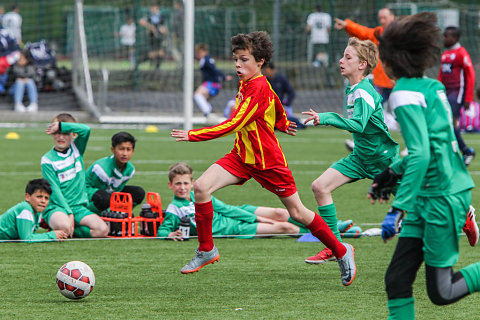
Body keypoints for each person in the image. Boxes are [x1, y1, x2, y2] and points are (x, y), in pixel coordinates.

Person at [171, 31, 356, 286]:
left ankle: (341, 250)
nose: (238, 64)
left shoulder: (257, 88)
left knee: (299, 213)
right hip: (241, 156)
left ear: (260, 61)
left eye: (244, 59)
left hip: (269, 163)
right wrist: (282, 121)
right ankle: (206, 250)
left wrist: (193, 135)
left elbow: (233, 123)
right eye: (236, 59)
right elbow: (276, 101)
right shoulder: (249, 82)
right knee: (201, 187)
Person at [368, 12, 480, 319]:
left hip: (439, 197)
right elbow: (435, 144)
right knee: (397, 280)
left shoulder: (402, 94)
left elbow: (421, 154)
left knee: (442, 292)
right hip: (432, 194)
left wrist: (397, 208)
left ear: (389, 60)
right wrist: (393, 171)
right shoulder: (431, 86)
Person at [301, 37, 399, 264]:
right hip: (361, 158)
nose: (340, 60)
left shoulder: (363, 92)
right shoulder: (353, 88)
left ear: (362, 64)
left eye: (348, 57)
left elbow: (358, 125)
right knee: (319, 187)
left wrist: (326, 118)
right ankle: (336, 248)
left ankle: (461, 215)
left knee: (419, 204)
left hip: (383, 162)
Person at [160, 162, 310, 240]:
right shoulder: (175, 208)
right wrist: (170, 235)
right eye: (178, 184)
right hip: (232, 228)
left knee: (279, 212)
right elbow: (162, 230)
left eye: (185, 183)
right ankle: (313, 235)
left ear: (192, 183)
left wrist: (257, 218)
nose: (182, 187)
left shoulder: (197, 195)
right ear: (170, 185)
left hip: (237, 212)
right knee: (284, 227)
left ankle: (322, 225)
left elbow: (226, 209)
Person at [41, 113, 109, 238]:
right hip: (58, 206)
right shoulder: (47, 160)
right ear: (51, 133)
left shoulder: (77, 148)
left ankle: (70, 231)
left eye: (65, 133)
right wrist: (68, 212)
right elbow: (54, 190)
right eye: (57, 132)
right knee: (64, 226)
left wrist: (61, 125)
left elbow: (86, 130)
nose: (61, 136)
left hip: (78, 207)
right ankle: (55, 224)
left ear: (73, 134)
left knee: (102, 230)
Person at [438, 26, 476, 166]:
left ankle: (464, 151)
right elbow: (441, 74)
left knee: (450, 121)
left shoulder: (461, 53)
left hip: (457, 92)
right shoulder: (445, 54)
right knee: (446, 122)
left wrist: (468, 98)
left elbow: (470, 75)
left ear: (455, 38)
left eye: (446, 36)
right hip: (446, 92)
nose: (444, 39)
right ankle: (464, 151)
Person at [85, 131, 145, 214]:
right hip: (87, 192)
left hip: (109, 193)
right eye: (121, 149)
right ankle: (87, 214)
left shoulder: (130, 170)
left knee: (138, 192)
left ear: (133, 151)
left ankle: (122, 213)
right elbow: (98, 191)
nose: (125, 153)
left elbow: (117, 190)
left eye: (128, 149)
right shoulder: (101, 168)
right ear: (113, 149)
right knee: (104, 198)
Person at [0, 178, 68, 242]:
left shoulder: (37, 213)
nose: (43, 201)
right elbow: (26, 239)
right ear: (27, 197)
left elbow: (30, 235)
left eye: (46, 198)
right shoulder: (25, 208)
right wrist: (52, 235)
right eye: (39, 197)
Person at [194, 43, 232, 120]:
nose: (197, 55)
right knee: (203, 99)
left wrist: (224, 77)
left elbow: (214, 70)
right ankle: (211, 115)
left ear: (204, 52)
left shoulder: (206, 59)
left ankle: (208, 113)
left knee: (197, 95)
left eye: (198, 53)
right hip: (212, 84)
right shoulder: (205, 59)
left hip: (212, 84)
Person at [263, 62, 305, 129]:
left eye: (267, 70)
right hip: (267, 109)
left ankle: (298, 124)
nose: (265, 72)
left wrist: (286, 104)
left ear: (273, 70)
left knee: (285, 120)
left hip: (279, 108)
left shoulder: (281, 79)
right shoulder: (263, 80)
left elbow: (291, 92)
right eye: (264, 71)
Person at [139, 4, 167, 69]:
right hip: (151, 37)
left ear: (157, 8)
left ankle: (157, 67)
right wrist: (150, 26)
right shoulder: (149, 16)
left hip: (159, 37)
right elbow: (141, 21)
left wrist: (162, 30)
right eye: (152, 8)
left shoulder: (161, 16)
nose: (153, 9)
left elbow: (165, 28)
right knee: (151, 53)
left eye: (155, 8)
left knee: (160, 52)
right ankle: (144, 63)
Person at [170, 0, 184, 69]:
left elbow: (178, 24)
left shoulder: (181, 12)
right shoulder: (175, 12)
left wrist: (174, 32)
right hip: (179, 35)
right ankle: (180, 64)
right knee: (174, 49)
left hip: (182, 35)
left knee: (182, 50)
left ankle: (181, 64)